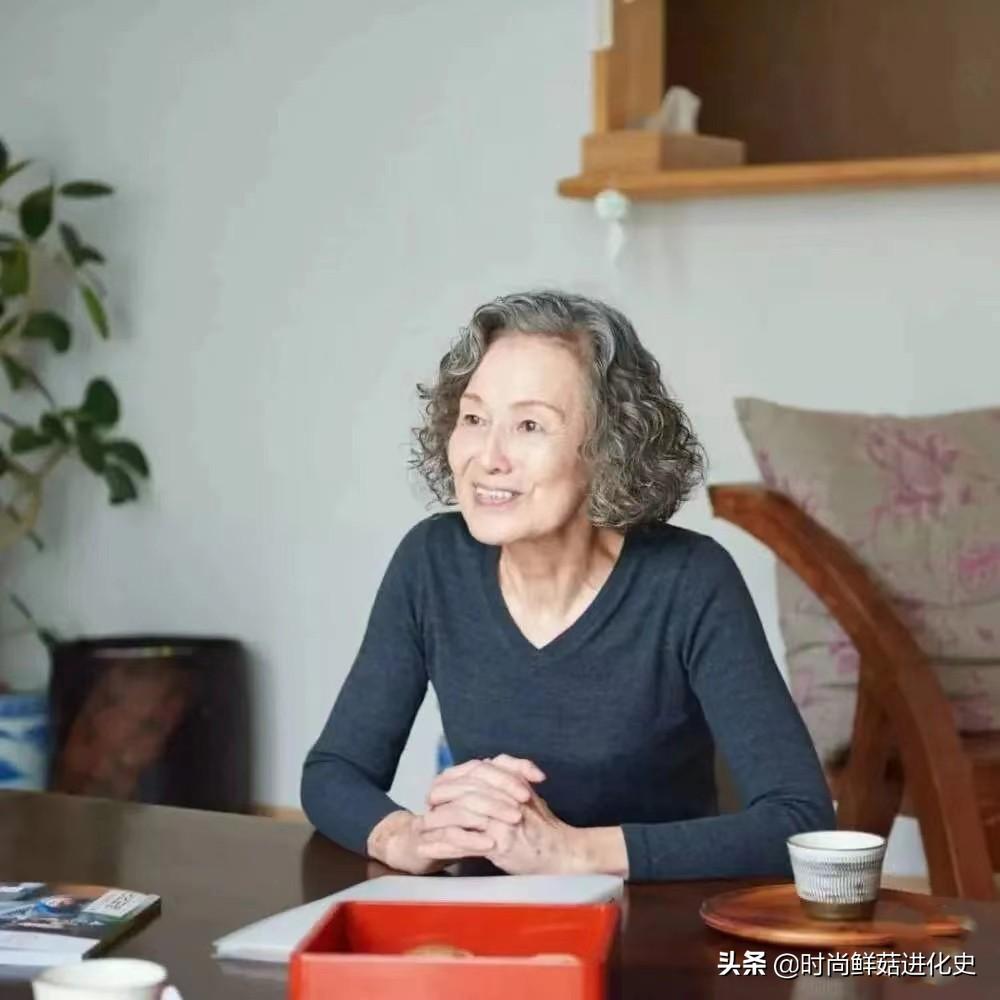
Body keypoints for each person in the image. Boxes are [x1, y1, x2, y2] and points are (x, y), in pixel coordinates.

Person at [301, 290, 834, 881]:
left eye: (530, 425)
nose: (488, 456)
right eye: (474, 418)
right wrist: (407, 836)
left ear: (609, 448)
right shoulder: (432, 563)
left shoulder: (690, 580)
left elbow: (800, 821)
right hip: (489, 916)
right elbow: (333, 771)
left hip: (653, 917)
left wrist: (572, 853)